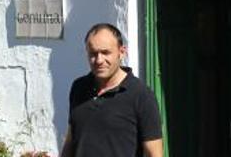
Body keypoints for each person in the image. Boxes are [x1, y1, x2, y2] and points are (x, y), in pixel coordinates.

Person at [61, 23, 163, 157]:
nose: (99, 60)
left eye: (105, 52)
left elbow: (154, 153)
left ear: (121, 52)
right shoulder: (79, 87)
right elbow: (71, 141)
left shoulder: (141, 96)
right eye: (93, 53)